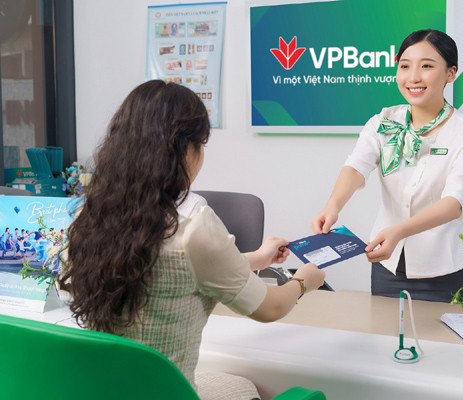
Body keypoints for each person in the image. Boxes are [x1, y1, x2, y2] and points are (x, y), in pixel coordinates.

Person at [60, 80, 325, 400]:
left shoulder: (85, 221)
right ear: (186, 150)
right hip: (170, 394)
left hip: (105, 392)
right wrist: (303, 281)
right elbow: (270, 308)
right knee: (245, 387)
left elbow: (173, 266)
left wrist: (257, 257)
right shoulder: (195, 229)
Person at [311, 29, 463, 302]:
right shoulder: (383, 121)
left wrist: (399, 230)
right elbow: (356, 167)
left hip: (449, 268)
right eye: (405, 66)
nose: (413, 77)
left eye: (426, 66)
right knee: (386, 329)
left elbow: (454, 203)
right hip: (389, 266)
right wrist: (332, 206)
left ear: (450, 73)